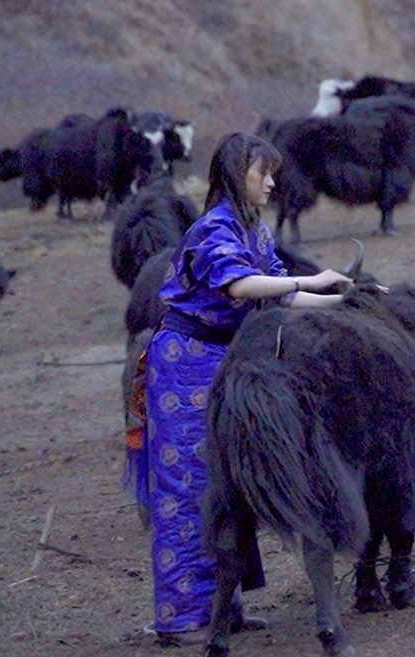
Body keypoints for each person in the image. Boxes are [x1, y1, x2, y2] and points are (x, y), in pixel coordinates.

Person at [124, 132, 352, 646]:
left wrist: (345, 300)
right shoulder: (213, 231)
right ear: (235, 174)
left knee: (226, 482)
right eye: (262, 173)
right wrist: (309, 281)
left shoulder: (254, 231)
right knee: (187, 488)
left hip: (223, 363)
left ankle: (224, 606)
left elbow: (279, 296)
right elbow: (241, 288)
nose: (272, 182)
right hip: (184, 369)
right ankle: (182, 618)